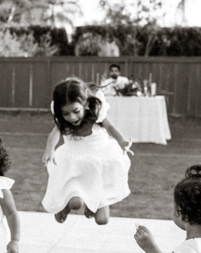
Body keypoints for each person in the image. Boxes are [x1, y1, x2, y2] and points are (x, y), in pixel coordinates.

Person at [41, 77, 133, 225]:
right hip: (74, 160)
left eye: (76, 111)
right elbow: (54, 134)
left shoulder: (96, 110)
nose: (71, 117)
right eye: (65, 113)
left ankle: (97, 200)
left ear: (85, 104)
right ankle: (65, 205)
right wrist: (50, 149)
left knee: (102, 220)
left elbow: (110, 127)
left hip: (99, 157)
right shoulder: (64, 120)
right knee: (75, 203)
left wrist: (122, 141)